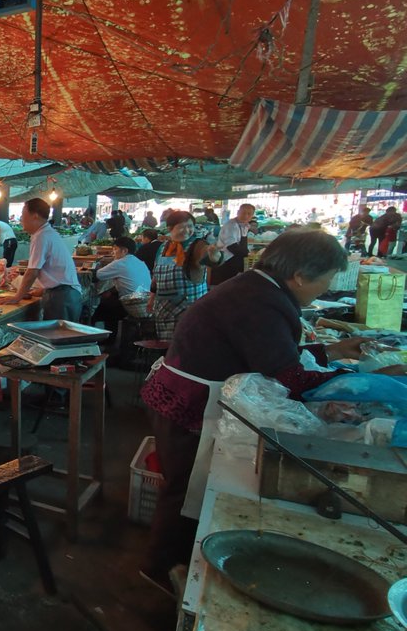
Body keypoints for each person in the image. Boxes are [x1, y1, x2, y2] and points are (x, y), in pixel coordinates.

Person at [140, 231, 405, 592]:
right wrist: (365, 377)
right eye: (326, 279)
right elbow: (291, 376)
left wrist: (336, 352)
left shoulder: (258, 289)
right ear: (299, 275)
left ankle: (172, 564)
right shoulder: (258, 300)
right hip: (191, 401)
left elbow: (272, 356)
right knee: (183, 490)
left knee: (185, 488)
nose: (325, 289)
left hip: (186, 393)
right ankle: (160, 570)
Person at [0, 197, 81, 320]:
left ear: (35, 216)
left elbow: (32, 271)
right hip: (65, 294)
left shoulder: (41, 236)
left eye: (23, 214)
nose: (21, 219)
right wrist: (42, 289)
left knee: (57, 336)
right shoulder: (47, 233)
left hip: (61, 296)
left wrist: (17, 297)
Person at [150, 237, 212, 341]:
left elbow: (213, 260)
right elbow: (155, 278)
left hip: (190, 307)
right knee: (168, 348)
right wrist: (151, 298)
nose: (185, 230)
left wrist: (215, 255)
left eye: (189, 226)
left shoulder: (198, 245)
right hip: (164, 308)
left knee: (188, 344)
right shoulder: (162, 247)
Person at [91, 237, 151, 327]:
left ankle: (107, 338)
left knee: (101, 311)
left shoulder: (120, 263)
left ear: (125, 251)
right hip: (144, 302)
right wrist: (109, 291)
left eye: (115, 249)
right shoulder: (139, 262)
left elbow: (96, 276)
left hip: (131, 303)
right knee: (107, 300)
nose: (113, 252)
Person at [211, 203, 255, 285]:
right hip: (226, 260)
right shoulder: (231, 225)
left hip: (235, 260)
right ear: (238, 212)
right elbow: (232, 247)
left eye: (249, 214)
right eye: (243, 213)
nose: (246, 216)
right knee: (225, 286)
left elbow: (243, 243)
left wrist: (247, 253)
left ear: (252, 215)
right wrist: (248, 254)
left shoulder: (244, 225)